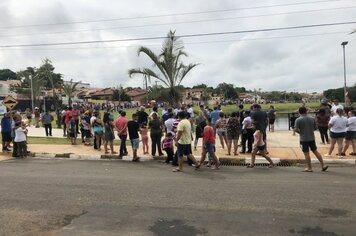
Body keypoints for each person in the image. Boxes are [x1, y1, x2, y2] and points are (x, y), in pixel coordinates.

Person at [294, 106, 329, 172]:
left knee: (306, 153)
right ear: (306, 111)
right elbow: (315, 128)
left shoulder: (298, 120)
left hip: (303, 139)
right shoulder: (312, 118)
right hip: (312, 138)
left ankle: (309, 168)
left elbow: (296, 129)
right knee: (315, 151)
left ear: (299, 112)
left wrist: (300, 132)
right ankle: (323, 165)